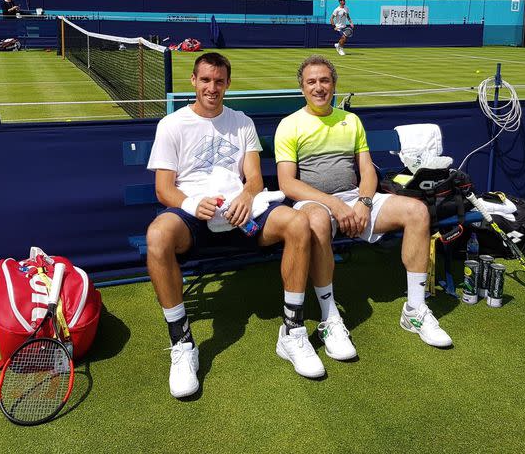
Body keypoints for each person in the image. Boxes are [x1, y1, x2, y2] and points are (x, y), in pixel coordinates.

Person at [146, 53, 325, 399]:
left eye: (219, 81)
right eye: (205, 80)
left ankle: (292, 331)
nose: (212, 87)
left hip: (243, 215)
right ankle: (182, 344)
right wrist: (191, 204)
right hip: (193, 217)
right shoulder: (171, 125)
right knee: (157, 235)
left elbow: (255, 178)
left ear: (228, 84)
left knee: (298, 223)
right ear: (193, 81)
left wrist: (245, 195)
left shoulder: (241, 121)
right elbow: (164, 189)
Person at [274, 55, 453, 358]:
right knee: (316, 222)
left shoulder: (351, 120)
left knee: (417, 211)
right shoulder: (289, 125)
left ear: (334, 84)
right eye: (311, 82)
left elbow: (367, 170)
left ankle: (415, 309)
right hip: (314, 203)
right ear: (302, 88)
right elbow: (288, 184)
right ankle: (330, 318)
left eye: (324, 80)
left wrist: (364, 203)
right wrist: (335, 205)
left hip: (356, 199)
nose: (319, 87)